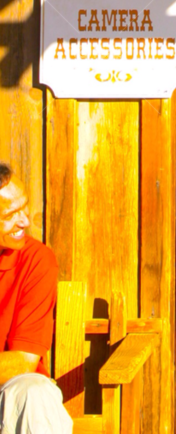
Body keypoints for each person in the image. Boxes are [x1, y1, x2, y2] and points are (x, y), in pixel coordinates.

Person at [0, 165, 71, 433]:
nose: (25, 221)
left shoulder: (36, 260)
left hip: (9, 398)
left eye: (24, 207)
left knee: (35, 392)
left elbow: (23, 362)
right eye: (10, 215)